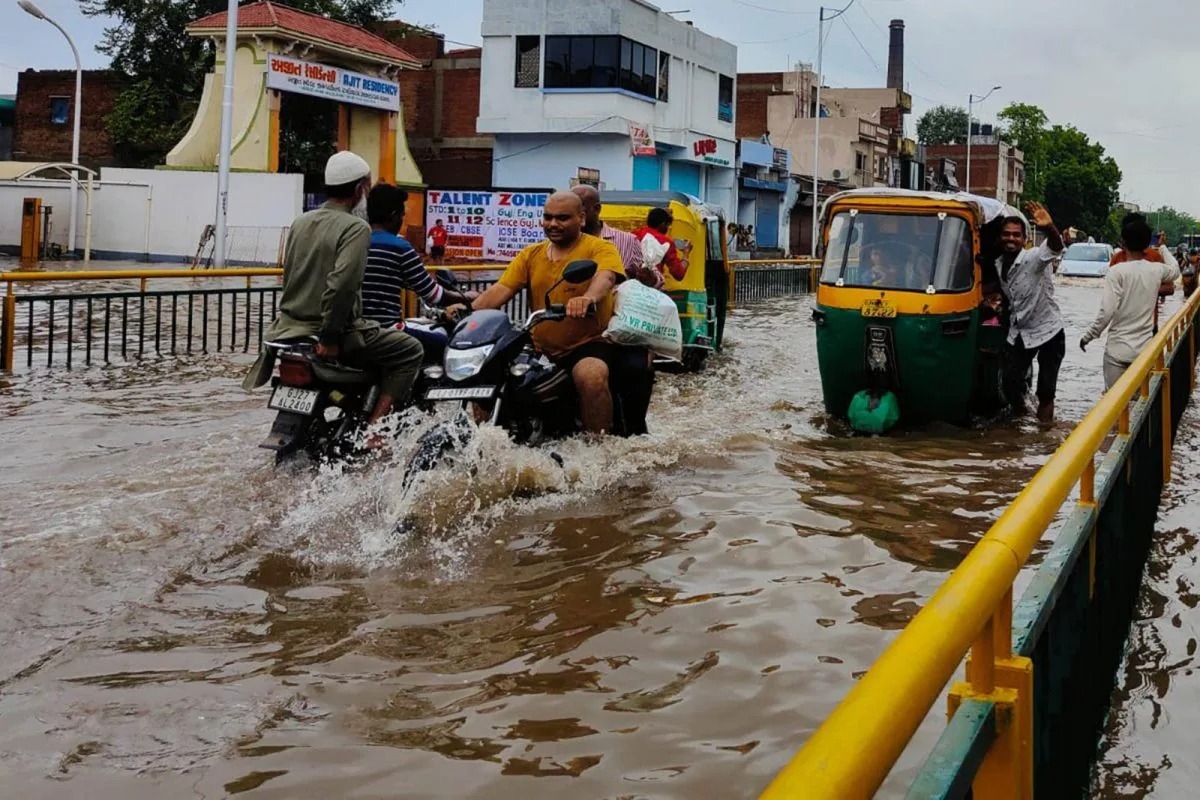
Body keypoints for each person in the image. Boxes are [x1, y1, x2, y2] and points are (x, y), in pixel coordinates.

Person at [250, 151, 424, 432]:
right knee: (410, 350)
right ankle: (376, 431)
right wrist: (330, 336)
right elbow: (342, 286)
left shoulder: (301, 222)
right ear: (359, 190)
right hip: (333, 333)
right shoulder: (356, 228)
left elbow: (290, 275)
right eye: (366, 188)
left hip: (288, 330)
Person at [466, 191, 653, 436]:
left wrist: (588, 298)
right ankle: (484, 441)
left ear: (581, 218)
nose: (553, 224)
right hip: (539, 347)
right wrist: (468, 312)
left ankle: (600, 447)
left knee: (591, 375)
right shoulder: (530, 254)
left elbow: (605, 277)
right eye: (548, 217)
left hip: (588, 343)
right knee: (487, 369)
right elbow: (503, 288)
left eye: (562, 218)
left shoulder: (600, 248)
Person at [1080, 215, 1181, 390]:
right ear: (1147, 244)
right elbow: (1175, 270)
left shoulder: (1116, 272)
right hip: (1144, 350)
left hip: (1117, 351)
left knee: (1114, 404)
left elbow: (1107, 311)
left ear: (1123, 243)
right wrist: (1163, 247)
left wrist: (1089, 336)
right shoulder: (1156, 270)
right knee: (1140, 404)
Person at [363, 184, 475, 329]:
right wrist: (466, 297)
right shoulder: (400, 247)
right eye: (402, 215)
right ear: (393, 216)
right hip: (386, 330)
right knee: (441, 340)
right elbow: (433, 295)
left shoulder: (355, 242)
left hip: (355, 331)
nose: (402, 220)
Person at [997, 201, 1066, 423]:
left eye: (1016, 235)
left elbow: (1055, 246)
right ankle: (1021, 422)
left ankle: (1043, 435)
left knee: (1046, 391)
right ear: (1000, 237)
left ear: (1024, 239)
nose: (1011, 239)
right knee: (1009, 383)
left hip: (1049, 331)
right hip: (1020, 331)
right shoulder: (998, 264)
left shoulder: (1034, 258)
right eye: (1006, 234)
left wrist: (1049, 227)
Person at [570, 184, 661, 288]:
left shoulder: (628, 241)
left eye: (579, 207)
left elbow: (657, 280)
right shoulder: (559, 243)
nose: (572, 212)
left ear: (597, 209)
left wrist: (649, 278)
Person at [634, 208, 688, 282]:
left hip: (631, 282)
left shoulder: (636, 234)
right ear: (663, 224)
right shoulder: (666, 242)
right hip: (652, 285)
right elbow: (678, 274)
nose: (667, 229)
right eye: (667, 225)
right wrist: (686, 254)